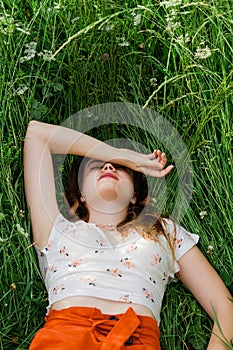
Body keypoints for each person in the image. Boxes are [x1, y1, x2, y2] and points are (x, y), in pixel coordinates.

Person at [24, 120, 233, 350]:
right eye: (95, 166)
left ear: (134, 195)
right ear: (81, 194)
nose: (108, 168)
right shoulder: (57, 229)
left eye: (120, 168)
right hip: (65, 336)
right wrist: (122, 156)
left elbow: (225, 308)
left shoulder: (164, 231)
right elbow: (37, 135)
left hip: (136, 338)